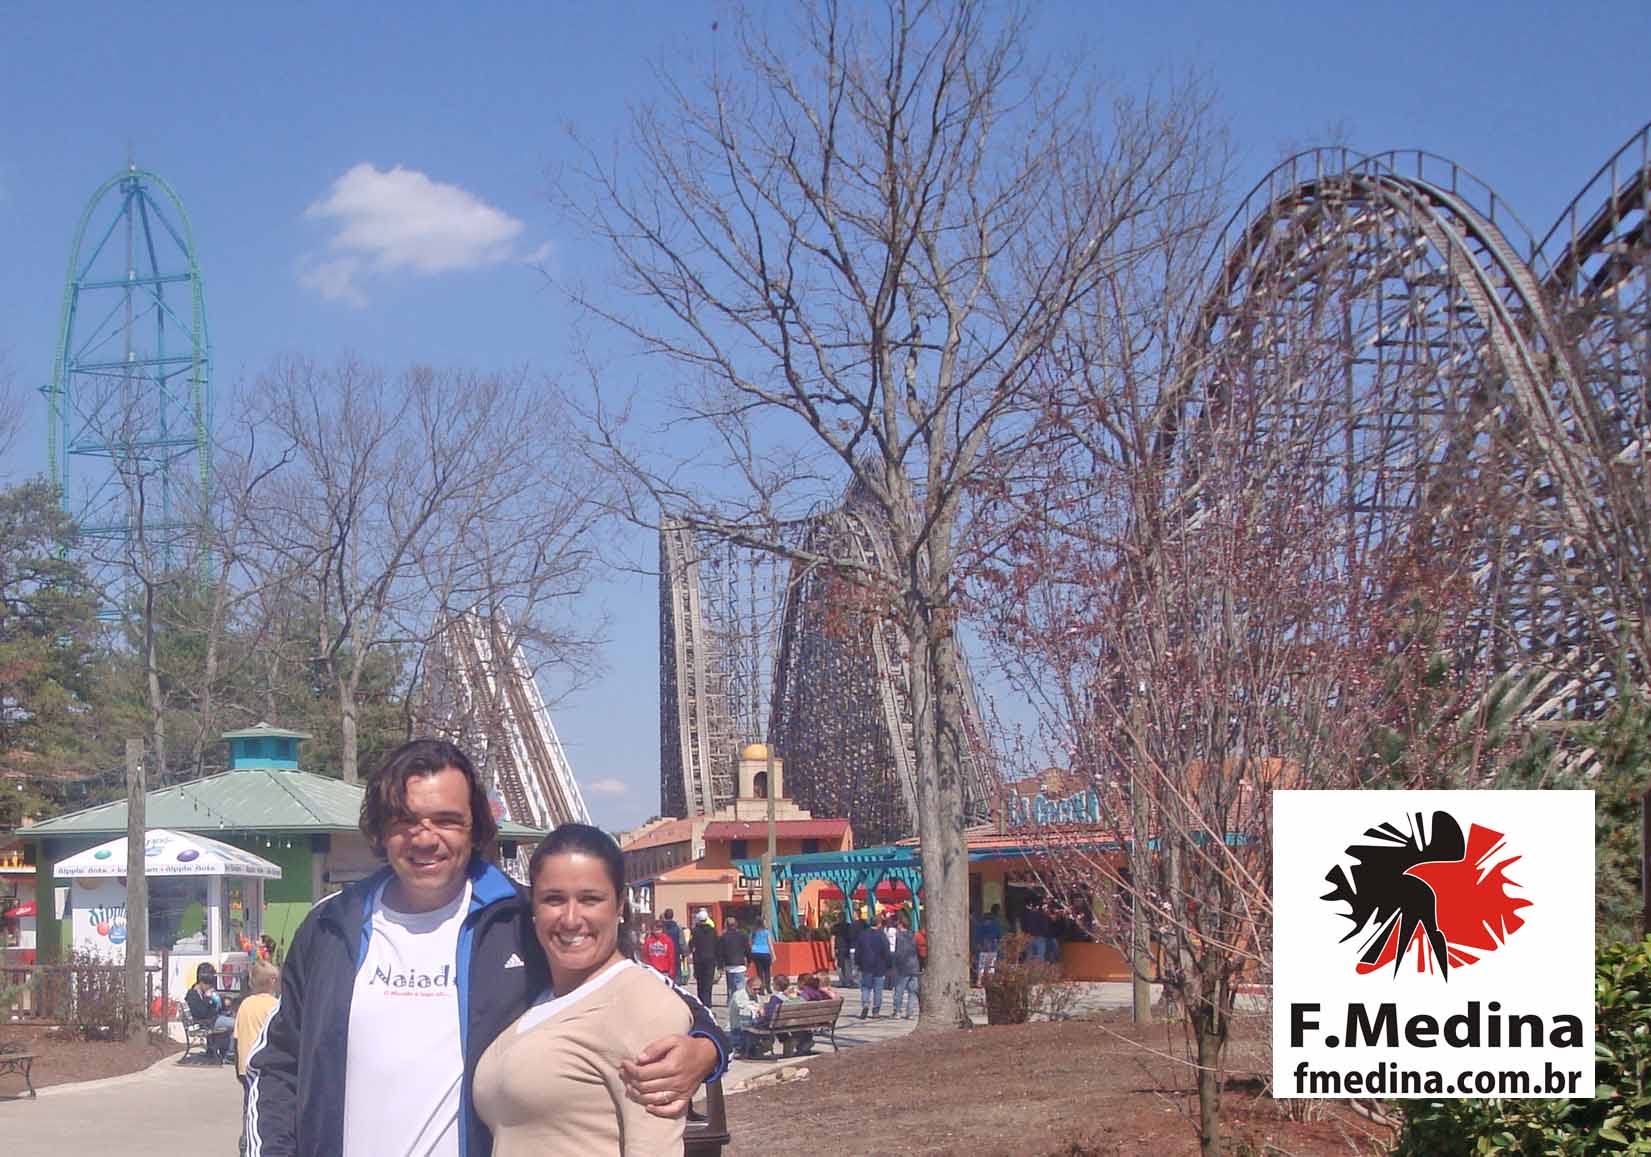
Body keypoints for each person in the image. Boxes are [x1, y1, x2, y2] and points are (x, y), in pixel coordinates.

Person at [245, 738, 728, 1157]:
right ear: (381, 830)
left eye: (446, 820)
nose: (425, 838)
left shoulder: (520, 919)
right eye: (405, 820)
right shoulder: (332, 926)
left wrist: (707, 1049)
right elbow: (276, 1064)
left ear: (474, 828)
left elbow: (648, 992)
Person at [473, 824, 695, 1155]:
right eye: (554, 899)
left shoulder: (643, 1006)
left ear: (619, 905)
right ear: (533, 907)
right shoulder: (537, 997)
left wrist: (710, 1048)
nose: (571, 918)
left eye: (590, 899)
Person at [234, 961, 281, 1081]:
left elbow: (237, 1038)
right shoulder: (275, 1006)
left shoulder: (245, 1004)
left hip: (246, 1065)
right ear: (273, 981)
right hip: (266, 1067)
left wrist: (238, 1067)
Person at [185, 961, 235, 1062]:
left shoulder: (203, 992)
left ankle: (221, 1051)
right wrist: (208, 999)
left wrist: (223, 1002)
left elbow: (213, 1007)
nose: (210, 986)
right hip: (207, 1022)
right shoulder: (192, 995)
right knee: (236, 1023)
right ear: (201, 982)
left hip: (212, 1019)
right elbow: (201, 1013)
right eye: (207, 983)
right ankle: (229, 1055)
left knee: (232, 1017)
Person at [852, 917, 892, 1018]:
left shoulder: (863, 935)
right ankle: (876, 1011)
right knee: (878, 989)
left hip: (866, 965)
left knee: (866, 987)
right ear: (879, 924)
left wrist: (858, 963)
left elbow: (858, 951)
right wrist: (889, 965)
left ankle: (865, 1004)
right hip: (879, 966)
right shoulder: (882, 936)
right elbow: (886, 952)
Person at [727, 973, 766, 1059]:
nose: (757, 991)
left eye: (759, 989)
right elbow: (743, 1006)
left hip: (749, 1024)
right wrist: (757, 1008)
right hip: (737, 1026)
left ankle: (753, 1047)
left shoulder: (757, 996)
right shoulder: (739, 994)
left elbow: (760, 1007)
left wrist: (760, 1009)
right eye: (755, 989)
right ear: (748, 986)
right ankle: (740, 1048)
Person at [891, 915, 921, 1020]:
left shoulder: (899, 936)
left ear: (900, 925)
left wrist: (894, 965)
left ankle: (897, 1011)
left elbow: (898, 952)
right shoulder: (913, 935)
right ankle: (910, 1012)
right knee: (912, 991)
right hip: (914, 966)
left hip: (903, 967)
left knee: (899, 990)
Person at [717, 916, 750, 1009]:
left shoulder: (723, 937)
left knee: (730, 987)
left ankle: (731, 1003)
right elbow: (747, 949)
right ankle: (740, 1003)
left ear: (726, 925)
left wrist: (720, 965)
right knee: (740, 986)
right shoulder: (743, 935)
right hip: (740, 964)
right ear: (736, 924)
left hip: (729, 965)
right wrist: (749, 960)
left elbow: (720, 952)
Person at [690, 910, 719, 1008]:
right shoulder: (712, 931)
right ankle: (708, 1003)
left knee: (700, 983)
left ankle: (701, 1002)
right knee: (708, 983)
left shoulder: (695, 931)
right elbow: (717, 945)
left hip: (699, 959)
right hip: (710, 959)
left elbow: (691, 944)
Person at [975, 904, 1004, 981]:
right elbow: (1000, 936)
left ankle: (979, 981)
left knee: (981, 965)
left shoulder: (980, 925)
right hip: (993, 946)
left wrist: (979, 945)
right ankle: (989, 981)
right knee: (991, 965)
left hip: (983, 947)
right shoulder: (995, 924)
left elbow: (977, 937)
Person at [659, 908, 686, 982]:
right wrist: (684, 953)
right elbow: (682, 942)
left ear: (665, 916)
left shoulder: (660, 928)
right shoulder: (678, 928)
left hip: (663, 953)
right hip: (675, 953)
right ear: (673, 916)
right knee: (676, 972)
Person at [830, 914, 855, 987]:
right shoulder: (849, 926)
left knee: (839, 965)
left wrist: (832, 950)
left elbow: (833, 939)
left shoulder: (835, 927)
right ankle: (848, 981)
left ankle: (843, 980)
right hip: (846, 948)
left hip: (839, 948)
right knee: (847, 965)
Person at [748, 917, 773, 988]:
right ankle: (768, 987)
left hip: (756, 952)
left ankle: (761, 988)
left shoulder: (753, 932)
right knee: (767, 971)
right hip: (765, 952)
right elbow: (770, 943)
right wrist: (773, 954)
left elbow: (750, 943)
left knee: (759, 971)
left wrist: (752, 950)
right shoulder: (766, 932)